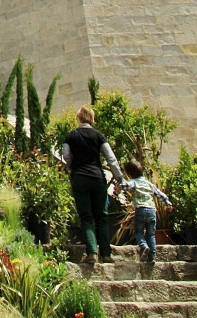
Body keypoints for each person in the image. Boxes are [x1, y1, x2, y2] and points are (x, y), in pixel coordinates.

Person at [62, 104, 125, 264]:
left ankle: (92, 253)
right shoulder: (99, 135)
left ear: (78, 118)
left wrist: (72, 168)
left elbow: (66, 156)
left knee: (86, 216)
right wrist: (119, 177)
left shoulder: (71, 136)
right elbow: (111, 158)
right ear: (91, 118)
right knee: (101, 217)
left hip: (80, 178)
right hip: (97, 178)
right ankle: (106, 254)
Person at [118, 159, 172, 263]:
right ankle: (152, 257)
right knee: (151, 234)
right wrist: (168, 203)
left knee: (139, 232)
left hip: (140, 210)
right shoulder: (149, 183)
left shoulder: (134, 182)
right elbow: (160, 194)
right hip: (152, 211)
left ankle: (143, 246)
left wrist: (119, 183)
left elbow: (126, 185)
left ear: (129, 174)